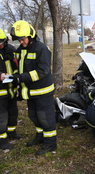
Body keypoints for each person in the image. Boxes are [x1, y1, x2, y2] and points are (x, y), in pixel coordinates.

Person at [10, 20, 57, 155]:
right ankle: (40, 136)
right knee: (33, 115)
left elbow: (43, 71)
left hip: (43, 92)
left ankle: (51, 143)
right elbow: (18, 67)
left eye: (23, 39)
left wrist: (21, 78)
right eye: (19, 40)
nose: (21, 42)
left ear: (30, 35)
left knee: (45, 117)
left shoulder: (41, 49)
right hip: (30, 92)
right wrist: (13, 77)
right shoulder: (20, 50)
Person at [0, 28, 22, 150]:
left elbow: (16, 65)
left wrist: (15, 76)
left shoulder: (11, 50)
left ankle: (12, 133)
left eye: (1, 43)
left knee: (13, 113)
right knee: (1, 117)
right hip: (0, 91)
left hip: (11, 89)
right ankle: (2, 140)